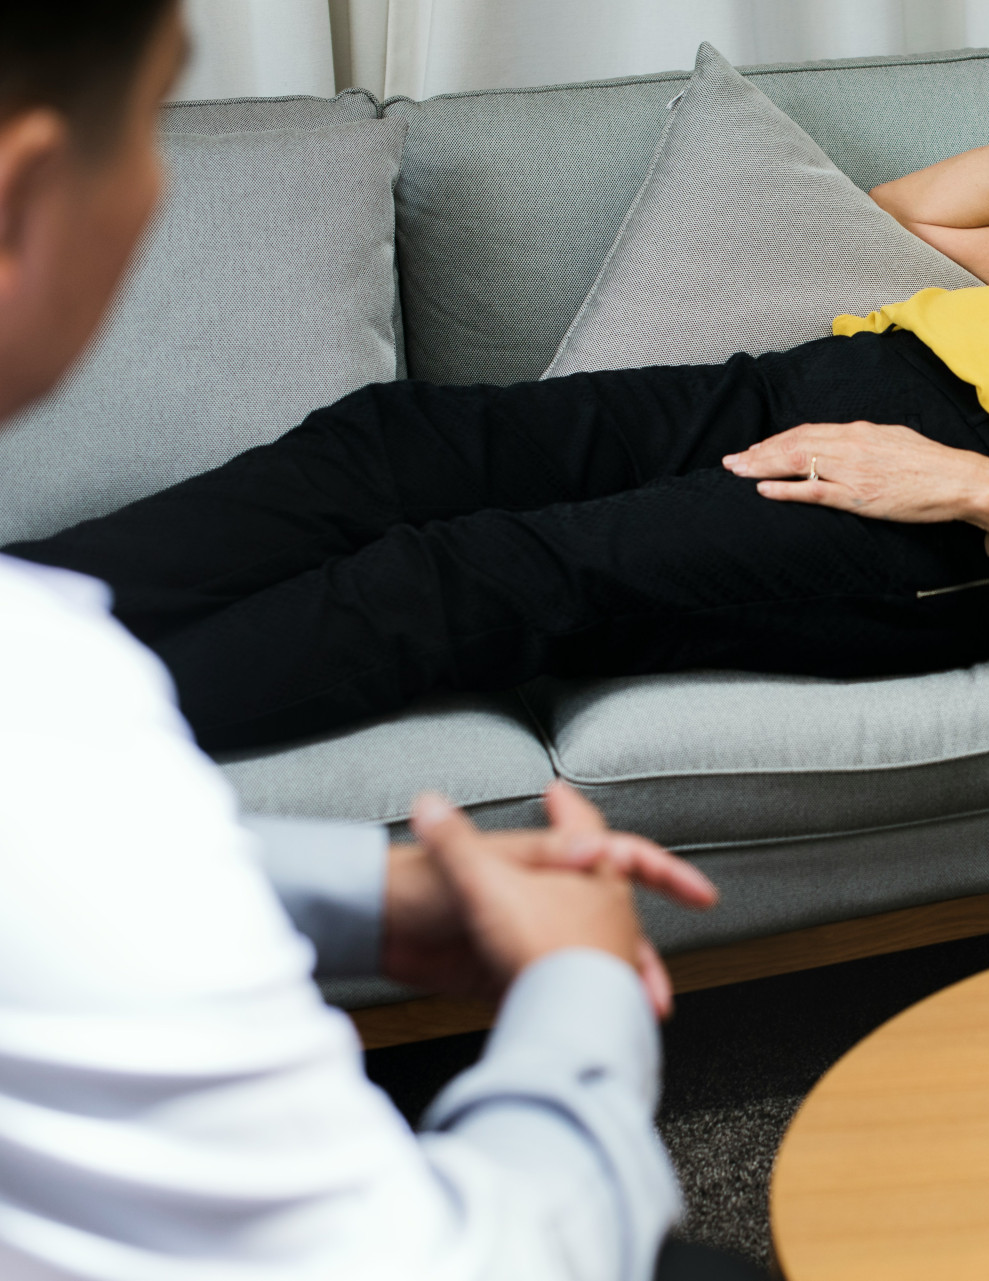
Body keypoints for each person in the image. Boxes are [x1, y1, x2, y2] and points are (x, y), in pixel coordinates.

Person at [7, 21, 989, 758]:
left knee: (471, 578)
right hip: (833, 381)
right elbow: (916, 216)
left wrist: (986, 494)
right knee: (391, 441)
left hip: (953, 516)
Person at [0, 4, 767, 1278]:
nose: (155, 190)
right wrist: (579, 989)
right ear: (23, 202)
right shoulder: (52, 697)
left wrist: (359, 895)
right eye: (145, 129)